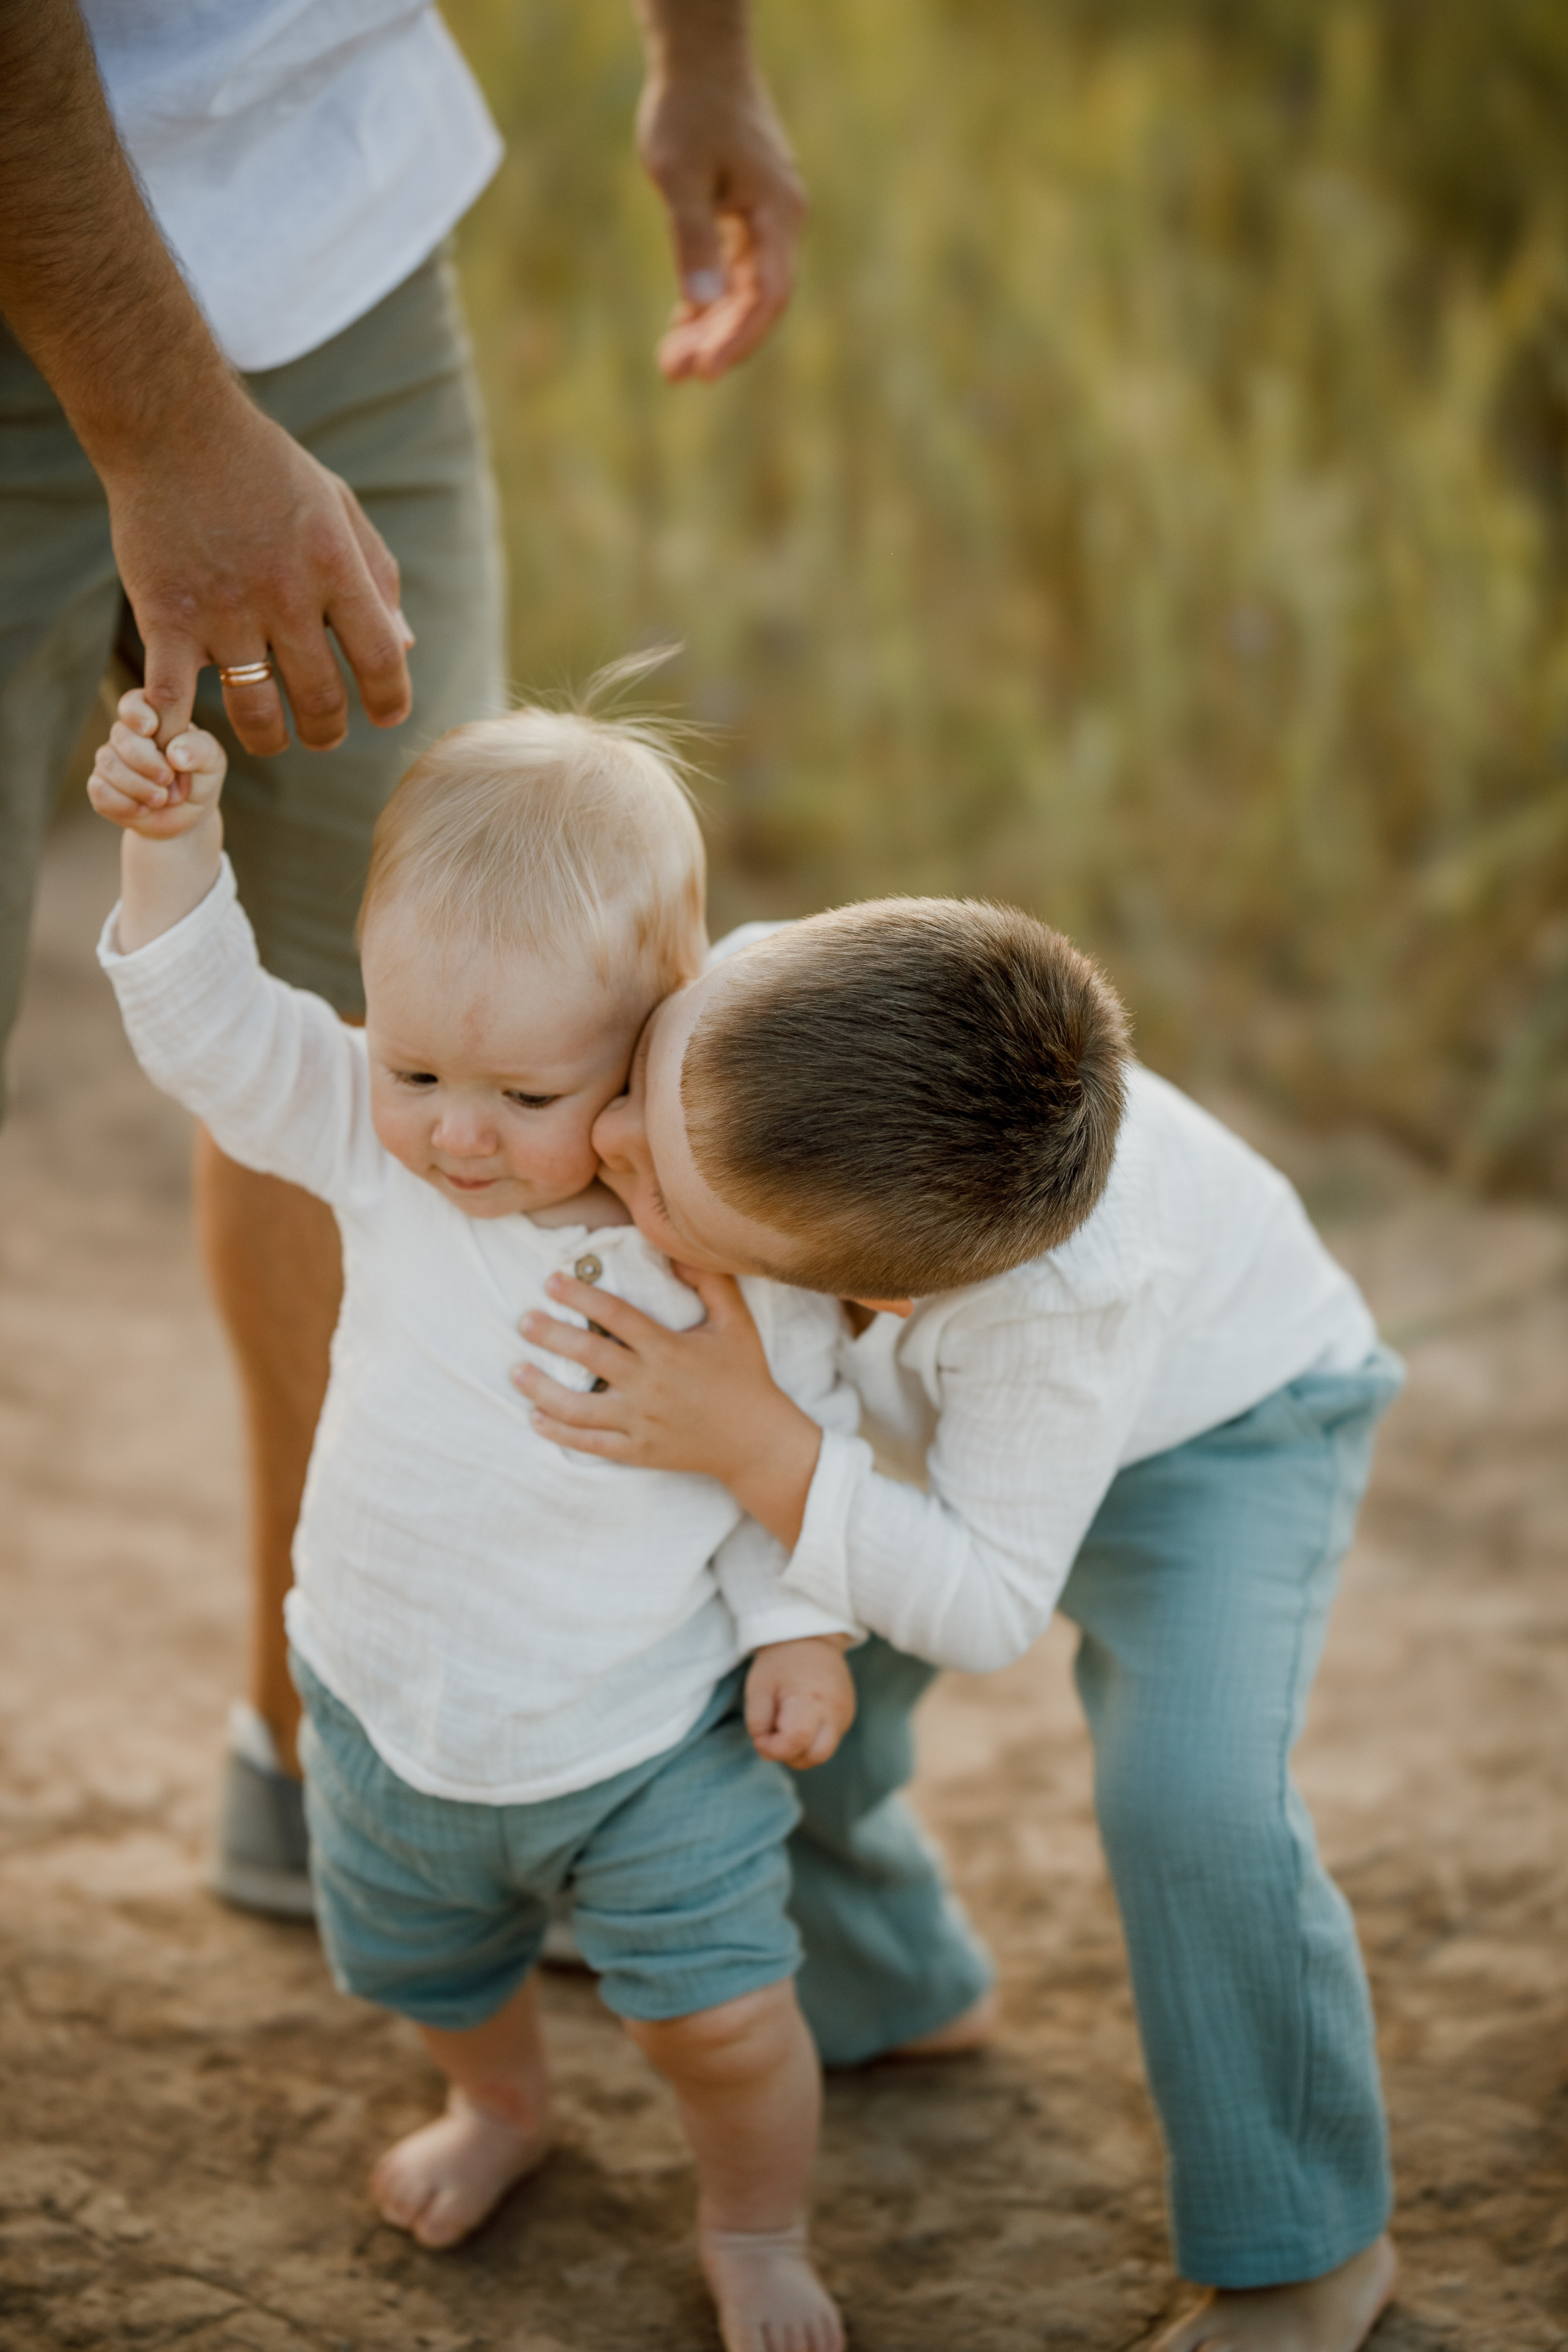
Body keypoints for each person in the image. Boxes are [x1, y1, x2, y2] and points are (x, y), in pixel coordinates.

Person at [0, 0, 806, 1916]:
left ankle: (328, 1735)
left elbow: (330, 1060)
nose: (456, 1135)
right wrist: (173, 430)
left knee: (424, 1003)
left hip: (334, 225)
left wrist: (702, 51)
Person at [512, 901, 1407, 2352]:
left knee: (1194, 1796)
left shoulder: (1065, 1296)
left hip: (1226, 1431)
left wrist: (763, 1453)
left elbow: (993, 1600)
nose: (614, 1140)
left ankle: (1310, 2249)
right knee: (792, 1690)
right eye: (654, 1080)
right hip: (939, 1422)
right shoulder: (762, 1006)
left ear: (870, 1291)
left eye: (662, 1184)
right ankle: (886, 1988)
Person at [87, 679, 857, 2352]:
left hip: (649, 1731)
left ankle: (757, 2219)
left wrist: (801, 1625)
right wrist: (176, 843)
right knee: (428, 1973)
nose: (455, 1131)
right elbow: (215, 1030)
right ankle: (502, 2108)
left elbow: (790, 1440)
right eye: (415, 1061)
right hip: (385, 1711)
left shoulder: (707, 1242)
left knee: (723, 2018)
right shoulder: (383, 1153)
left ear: (653, 1044)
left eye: (520, 1095)